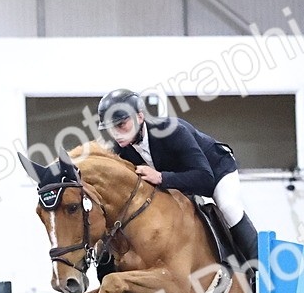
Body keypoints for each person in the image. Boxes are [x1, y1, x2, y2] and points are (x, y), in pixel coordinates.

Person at [95, 88, 259, 270]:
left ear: (140, 117)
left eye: (121, 125)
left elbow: (205, 178)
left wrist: (160, 177)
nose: (116, 133)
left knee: (229, 207)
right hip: (180, 182)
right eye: (111, 128)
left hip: (216, 169)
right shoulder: (121, 152)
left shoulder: (173, 131)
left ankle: (261, 268)